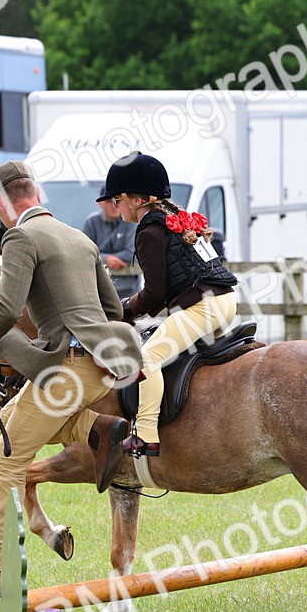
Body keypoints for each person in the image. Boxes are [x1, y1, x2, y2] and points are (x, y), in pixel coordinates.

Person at [0, 160, 142, 601]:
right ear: (34, 193)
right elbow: (112, 311)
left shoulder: (20, 236)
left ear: (0, 202)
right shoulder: (80, 237)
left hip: (65, 371)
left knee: (5, 461)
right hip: (101, 370)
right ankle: (94, 428)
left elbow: (5, 310)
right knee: (8, 418)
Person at [98, 151, 238, 458]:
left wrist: (123, 309)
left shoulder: (150, 231)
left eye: (117, 200)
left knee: (147, 357)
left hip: (204, 306)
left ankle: (145, 435)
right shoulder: (173, 220)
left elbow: (154, 295)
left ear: (137, 200)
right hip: (224, 300)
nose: (113, 207)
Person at [82, 198, 139, 299]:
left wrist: (99, 258)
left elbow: (131, 252)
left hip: (130, 290)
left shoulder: (130, 220)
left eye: (117, 201)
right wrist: (106, 259)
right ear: (100, 203)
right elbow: (84, 252)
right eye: (109, 201)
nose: (114, 205)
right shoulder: (91, 222)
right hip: (98, 290)